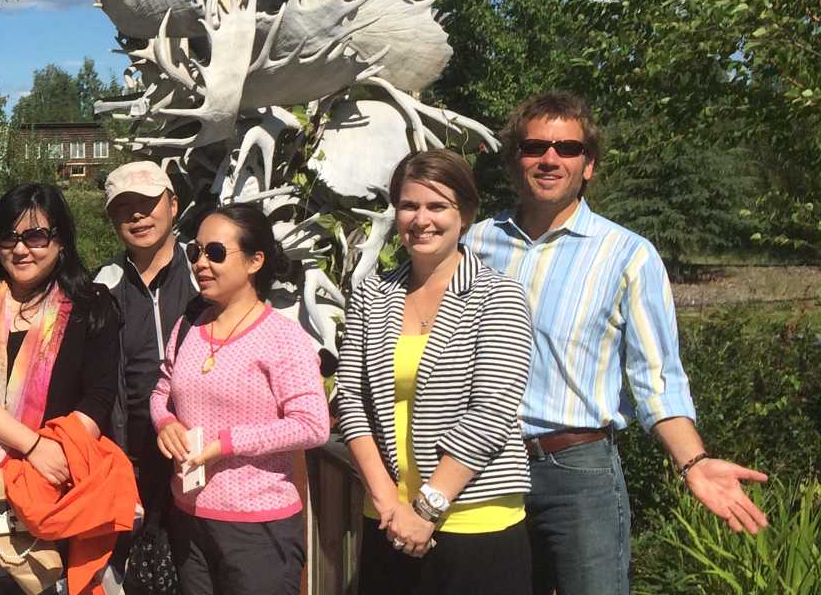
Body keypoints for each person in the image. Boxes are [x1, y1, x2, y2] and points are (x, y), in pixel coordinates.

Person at [466, 92, 767, 595]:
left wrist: (694, 462)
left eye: (567, 148)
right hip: (482, 467)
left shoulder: (627, 255)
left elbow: (657, 378)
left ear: (588, 166)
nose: (550, 159)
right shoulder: (473, 245)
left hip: (578, 474)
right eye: (535, 146)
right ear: (515, 159)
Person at [334, 149, 534, 595]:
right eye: (409, 205)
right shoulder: (372, 295)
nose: (421, 219)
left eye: (437, 206)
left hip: (475, 523)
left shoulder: (498, 296)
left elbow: (491, 412)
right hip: (389, 520)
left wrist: (425, 509)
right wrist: (386, 498)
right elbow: (351, 399)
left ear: (466, 213)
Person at [0, 182, 124, 595]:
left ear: (61, 241)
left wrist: (53, 455)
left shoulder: (92, 307)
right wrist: (31, 447)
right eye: (8, 237)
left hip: (56, 484)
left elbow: (99, 397)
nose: (20, 249)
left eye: (36, 236)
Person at [149, 202, 328, 595]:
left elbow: (313, 425)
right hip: (190, 518)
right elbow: (161, 391)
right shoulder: (188, 326)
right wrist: (166, 422)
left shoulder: (283, 337)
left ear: (254, 261)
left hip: (258, 528)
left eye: (215, 252)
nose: (201, 263)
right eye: (195, 251)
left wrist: (227, 444)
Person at [93, 160, 199, 590]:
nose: (137, 215)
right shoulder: (103, 284)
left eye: (148, 202)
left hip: (203, 456)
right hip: (133, 458)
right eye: (124, 207)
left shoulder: (204, 269)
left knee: (199, 572)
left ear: (173, 205)